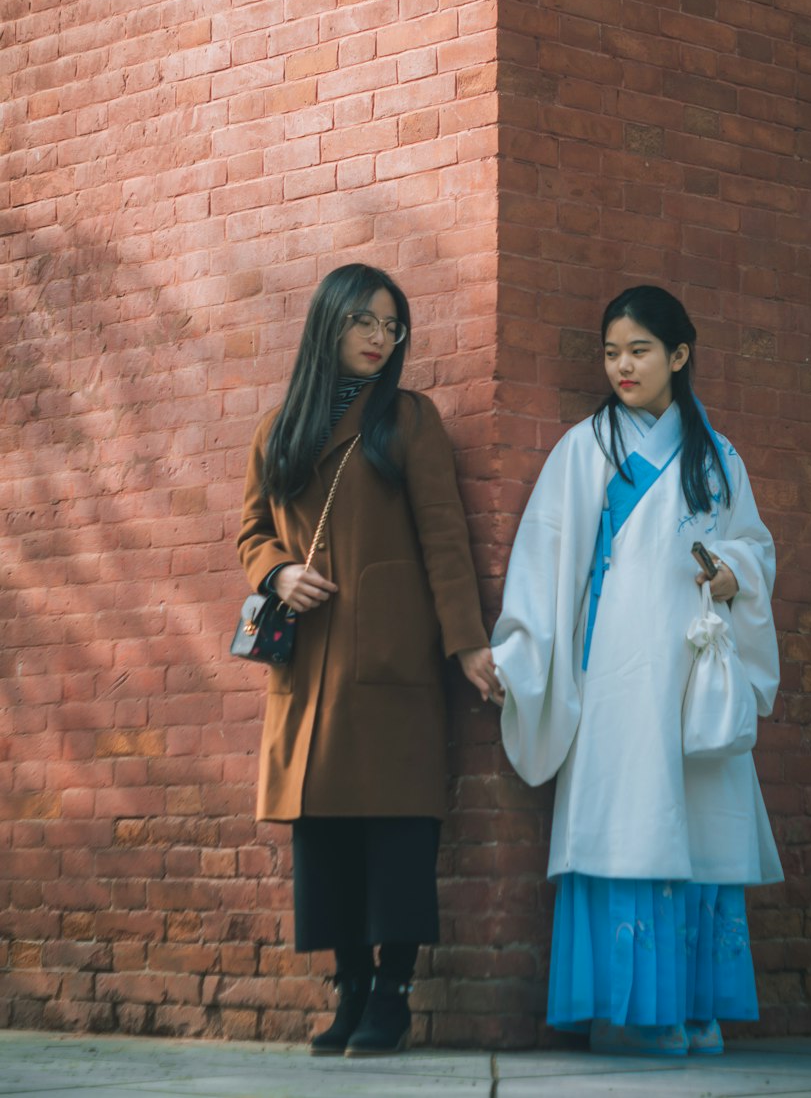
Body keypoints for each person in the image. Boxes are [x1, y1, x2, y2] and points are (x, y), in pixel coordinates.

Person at [491, 285, 781, 1057]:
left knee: (700, 826)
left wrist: (735, 573)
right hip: (619, 670)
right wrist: (520, 654)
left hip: (694, 664)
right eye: (612, 351)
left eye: (640, 350)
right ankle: (633, 1015)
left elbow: (755, 547)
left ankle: (692, 1008)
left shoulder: (718, 459)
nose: (622, 365)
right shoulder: (586, 449)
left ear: (679, 356)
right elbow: (545, 555)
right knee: (630, 823)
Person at [237, 263, 502, 1058]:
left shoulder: (409, 421)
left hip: (392, 662)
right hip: (307, 664)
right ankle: (349, 990)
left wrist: (467, 642)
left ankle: (393, 995)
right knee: (324, 836)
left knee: (396, 833)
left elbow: (446, 540)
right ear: (330, 325)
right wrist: (277, 572)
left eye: (392, 326)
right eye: (365, 322)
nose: (381, 339)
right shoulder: (279, 427)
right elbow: (252, 531)